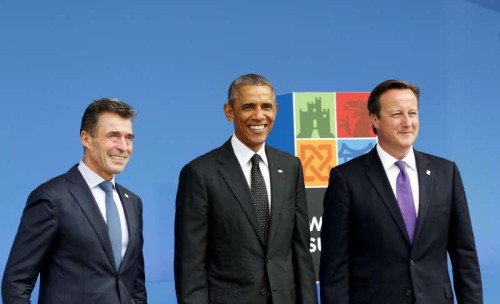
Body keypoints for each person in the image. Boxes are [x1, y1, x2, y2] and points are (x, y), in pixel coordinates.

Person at [319, 79, 482, 303]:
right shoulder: (346, 179)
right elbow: (334, 266)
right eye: (397, 114)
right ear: (375, 119)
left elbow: (465, 256)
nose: (407, 122)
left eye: (412, 113)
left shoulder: (446, 172)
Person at [174, 73, 318, 304]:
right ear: (229, 111)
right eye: (248, 106)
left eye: (266, 107)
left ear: (276, 110)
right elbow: (190, 263)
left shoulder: (291, 166)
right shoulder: (199, 173)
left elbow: (301, 251)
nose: (259, 115)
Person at [2, 98, 147, 303]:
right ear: (86, 139)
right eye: (113, 136)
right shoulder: (51, 197)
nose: (123, 147)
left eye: (129, 138)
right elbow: (16, 283)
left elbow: (136, 284)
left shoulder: (133, 203)